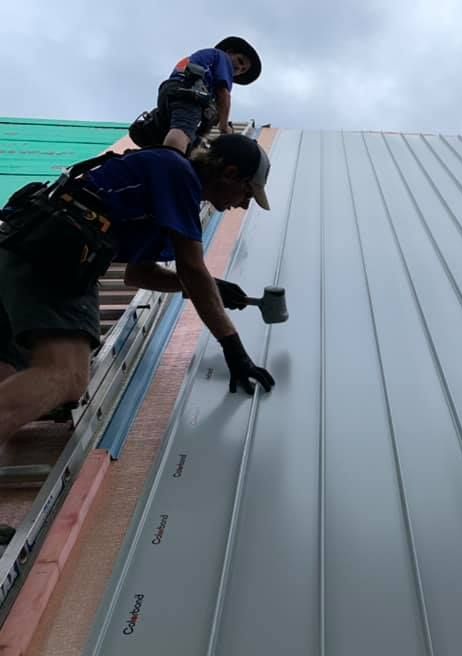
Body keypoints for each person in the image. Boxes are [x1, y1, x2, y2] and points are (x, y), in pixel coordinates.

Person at [0, 133, 275, 448]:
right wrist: (234, 350)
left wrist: (212, 288)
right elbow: (192, 269)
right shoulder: (178, 173)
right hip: (51, 256)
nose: (243, 204)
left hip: (20, 251)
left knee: (10, 374)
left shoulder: (167, 196)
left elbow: (140, 274)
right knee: (67, 375)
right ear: (230, 173)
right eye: (247, 193)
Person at [130, 37, 262, 153]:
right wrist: (224, 126)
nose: (239, 68)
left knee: (180, 137)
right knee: (183, 129)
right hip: (189, 93)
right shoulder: (222, 57)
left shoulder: (204, 61)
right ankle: (169, 165)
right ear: (229, 52)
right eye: (240, 61)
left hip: (170, 92)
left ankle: (156, 156)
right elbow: (223, 94)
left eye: (243, 70)